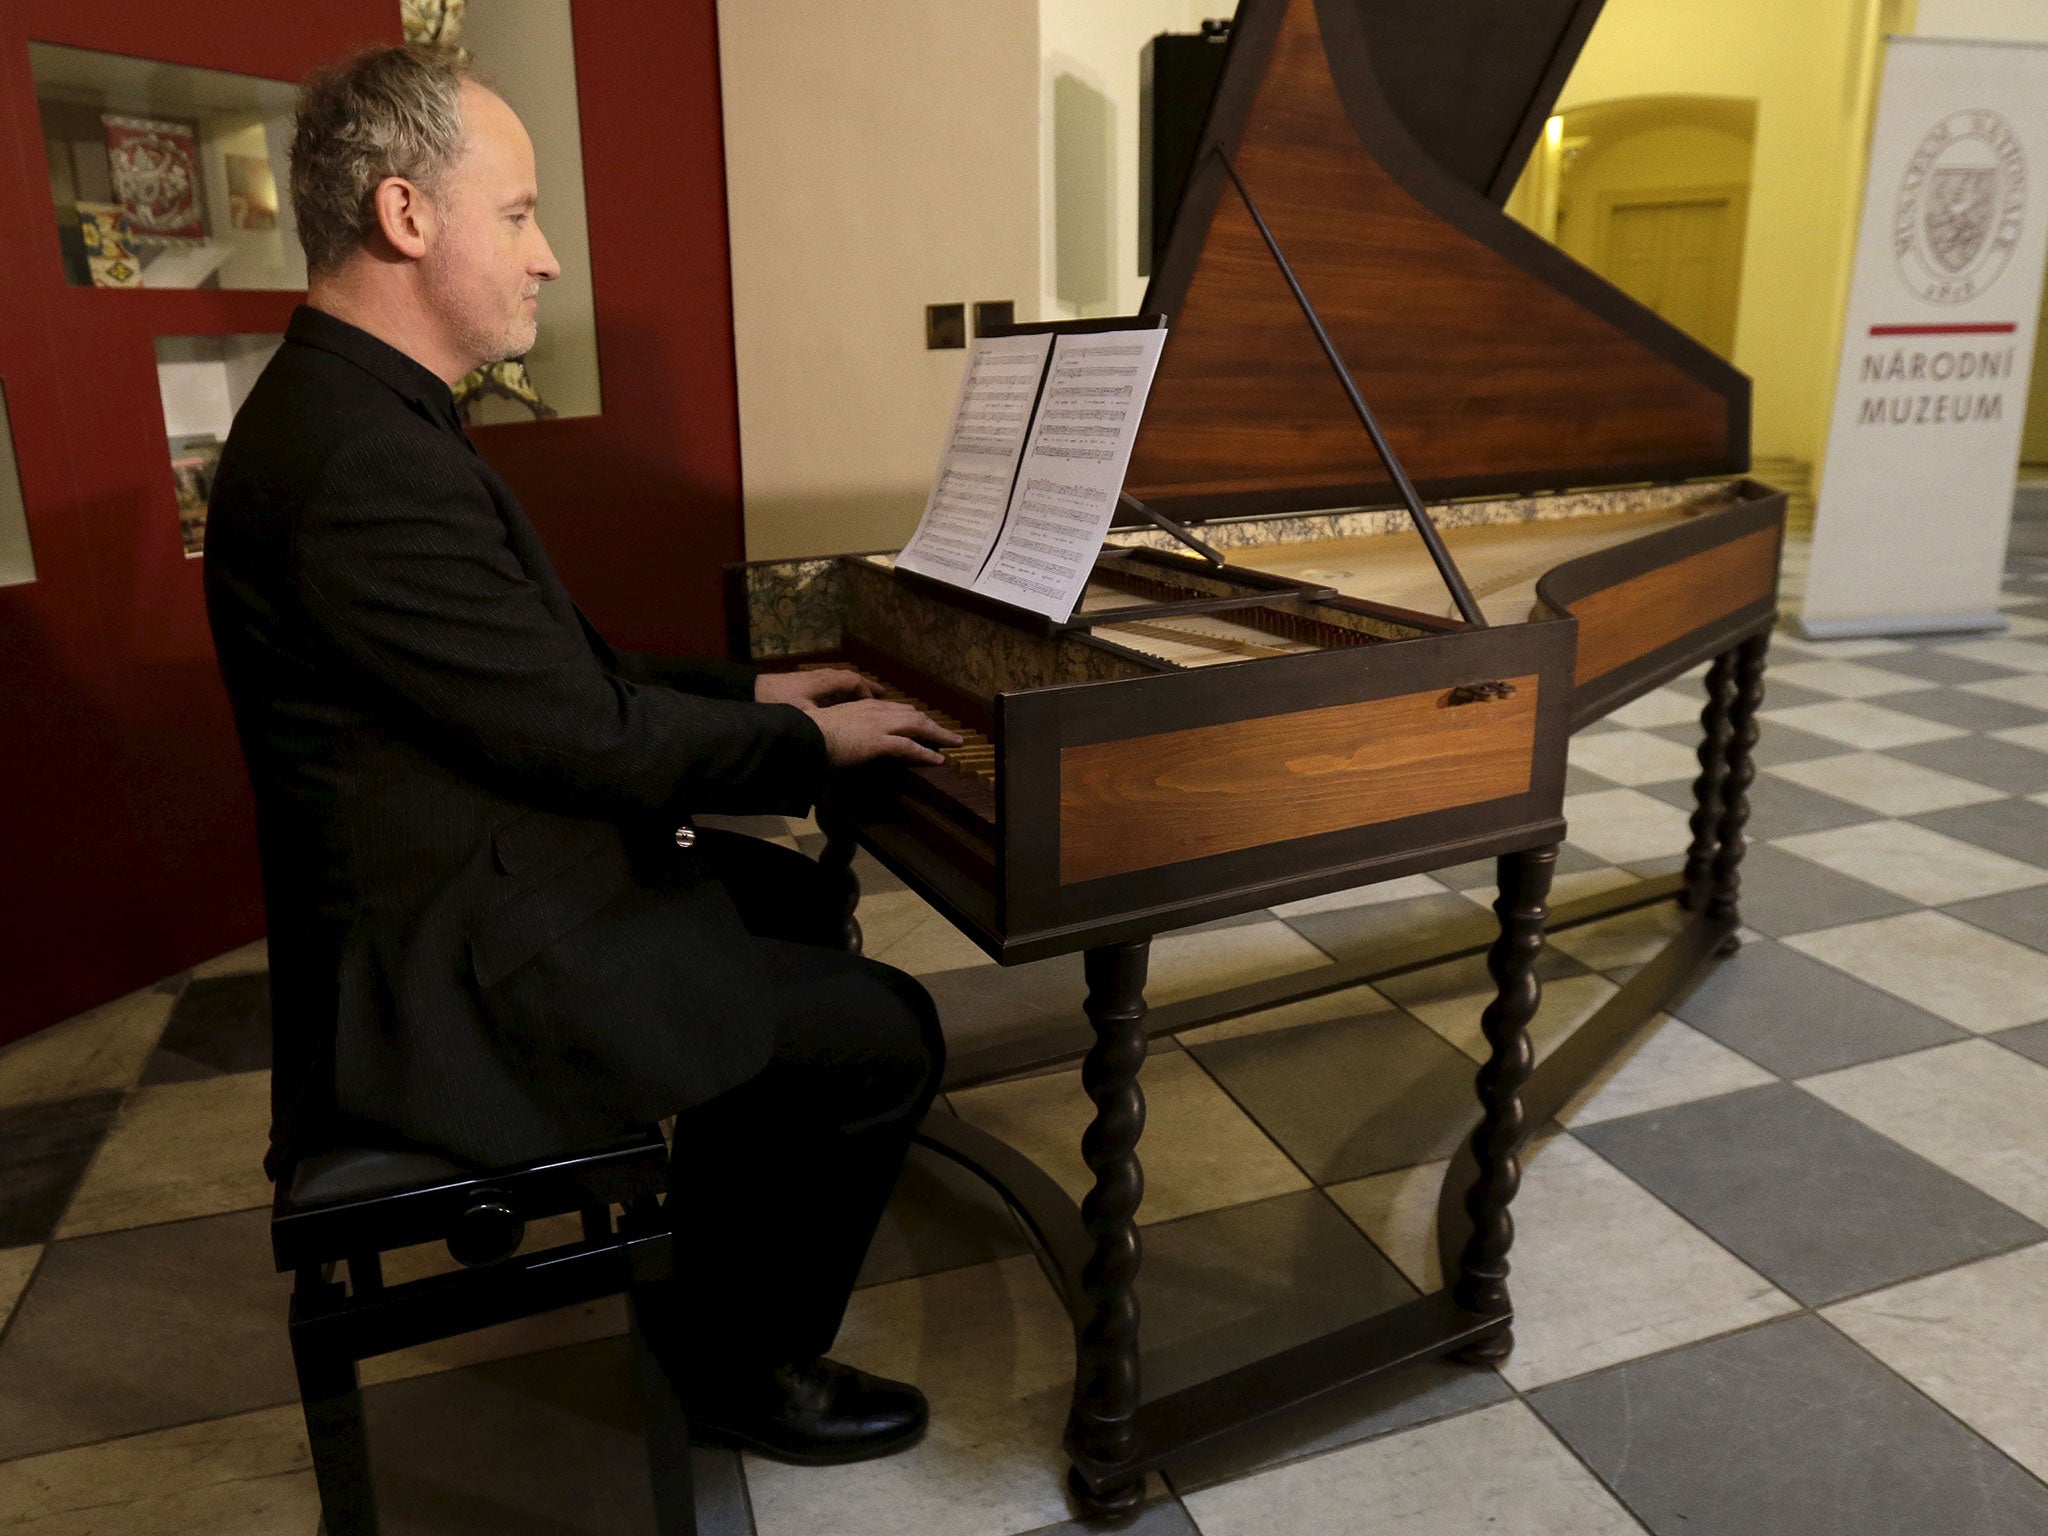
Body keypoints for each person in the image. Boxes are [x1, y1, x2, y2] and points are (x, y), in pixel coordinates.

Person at [203, 44, 962, 1465]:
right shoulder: (361, 457)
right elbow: (580, 733)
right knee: (884, 1035)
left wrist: (754, 686)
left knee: (793, 908)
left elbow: (553, 671)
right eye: (518, 214)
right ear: (407, 217)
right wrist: (800, 741)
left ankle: (706, 1281)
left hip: (453, 871)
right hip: (440, 963)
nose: (546, 257)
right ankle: (744, 1365)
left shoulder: (356, 413)